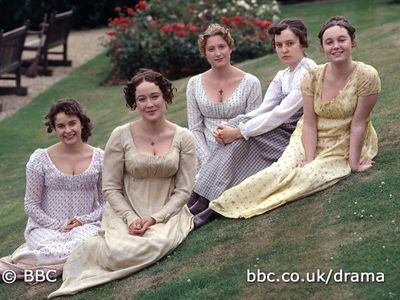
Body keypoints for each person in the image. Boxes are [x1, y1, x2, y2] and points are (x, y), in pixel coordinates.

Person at [209, 16, 381, 219]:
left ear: (352, 42)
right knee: (279, 170)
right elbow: (308, 123)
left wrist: (354, 165)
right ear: (322, 47)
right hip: (306, 136)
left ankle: (232, 206)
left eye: (341, 40)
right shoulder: (312, 76)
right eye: (329, 42)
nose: (336, 46)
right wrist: (308, 157)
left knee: (305, 177)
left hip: (342, 142)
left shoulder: (367, 76)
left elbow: (359, 124)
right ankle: (216, 204)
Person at [48, 69, 197, 297]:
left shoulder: (184, 138)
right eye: (141, 99)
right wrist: (131, 218)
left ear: (165, 95)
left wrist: (156, 218)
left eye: (154, 96)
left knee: (154, 244)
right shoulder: (120, 135)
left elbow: (184, 190)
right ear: (134, 103)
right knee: (118, 250)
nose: (149, 104)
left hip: (167, 211)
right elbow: (111, 188)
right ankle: (88, 256)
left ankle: (91, 258)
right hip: (125, 211)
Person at [189, 18, 316, 228]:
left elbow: (281, 114)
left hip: (294, 133)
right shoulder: (282, 75)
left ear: (303, 44)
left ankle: (210, 203)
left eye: (290, 43)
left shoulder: (308, 70)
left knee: (242, 142)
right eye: (279, 45)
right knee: (240, 126)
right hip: (278, 127)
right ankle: (202, 197)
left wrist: (240, 132)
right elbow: (263, 109)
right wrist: (235, 126)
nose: (284, 49)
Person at [0, 98, 104, 278]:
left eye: (72, 123)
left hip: (84, 227)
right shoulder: (40, 159)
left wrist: (83, 220)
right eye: (61, 126)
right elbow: (31, 205)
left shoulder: (100, 158)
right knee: (55, 250)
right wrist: (58, 225)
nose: (68, 130)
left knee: (90, 243)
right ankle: (59, 263)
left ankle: (29, 263)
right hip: (44, 229)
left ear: (82, 123)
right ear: (54, 128)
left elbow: (106, 202)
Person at [187, 23, 262, 169]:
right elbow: (195, 129)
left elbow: (253, 125)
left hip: (241, 154)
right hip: (205, 158)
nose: (218, 53)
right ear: (204, 53)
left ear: (230, 48)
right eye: (211, 49)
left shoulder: (251, 83)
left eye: (222, 47)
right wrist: (208, 161)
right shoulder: (193, 84)